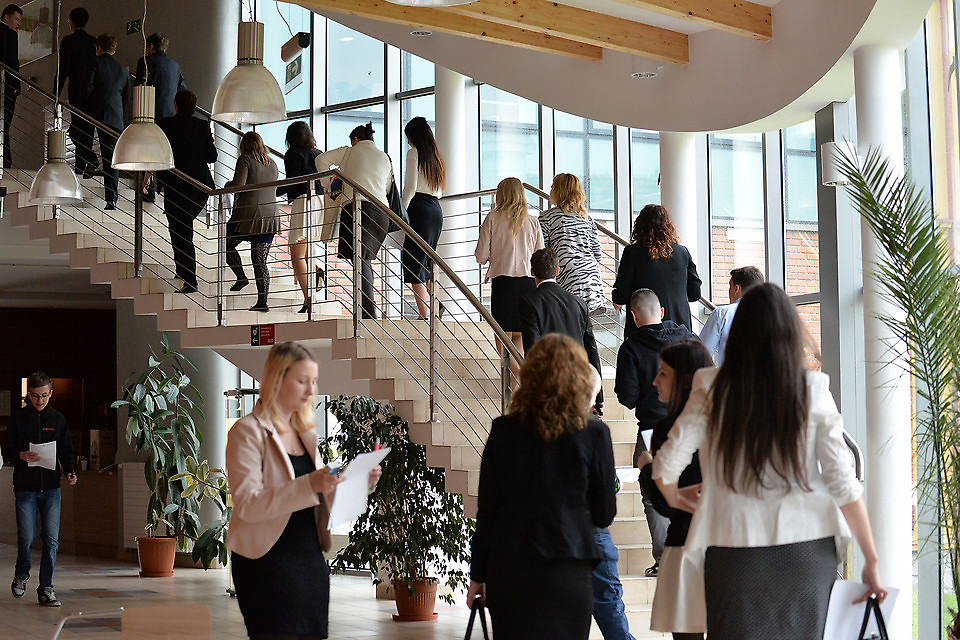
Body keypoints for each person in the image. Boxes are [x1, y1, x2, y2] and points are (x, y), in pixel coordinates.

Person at [654, 283, 887, 640]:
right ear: (790, 334)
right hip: (808, 552)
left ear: (738, 334)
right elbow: (843, 482)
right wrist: (871, 559)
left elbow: (665, 465)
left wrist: (675, 497)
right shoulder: (812, 388)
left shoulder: (709, 386)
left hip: (733, 553)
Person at [226, 341, 381, 639]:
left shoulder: (305, 434)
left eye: (314, 381)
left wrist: (360, 482)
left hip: (308, 562)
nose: (311, 391)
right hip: (266, 563)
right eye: (302, 381)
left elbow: (318, 497)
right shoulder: (247, 431)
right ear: (277, 380)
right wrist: (310, 483)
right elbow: (247, 504)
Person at [467, 334, 617, 640]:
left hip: (509, 566)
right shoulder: (594, 434)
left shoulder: (503, 430)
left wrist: (478, 574)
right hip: (569, 566)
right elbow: (604, 514)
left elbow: (488, 511)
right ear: (579, 380)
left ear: (529, 376)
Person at [636, 339, 713, 640]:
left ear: (686, 379)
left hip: (685, 546)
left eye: (663, 373)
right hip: (726, 547)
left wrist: (647, 468)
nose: (655, 381)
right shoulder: (726, 424)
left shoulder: (670, 429)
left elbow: (667, 504)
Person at [614, 288, 692, 577]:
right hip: (690, 427)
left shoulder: (631, 348)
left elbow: (627, 396)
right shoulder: (688, 338)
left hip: (652, 430)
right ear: (661, 312)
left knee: (652, 494)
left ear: (634, 317)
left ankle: (665, 560)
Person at [5, 372, 77, 608]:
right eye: (35, 396)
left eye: (44, 396)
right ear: (29, 395)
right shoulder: (19, 418)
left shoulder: (57, 419)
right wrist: (20, 455)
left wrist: (70, 471)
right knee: (26, 536)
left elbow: (66, 448)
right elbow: (7, 449)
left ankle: (46, 588)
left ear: (51, 394)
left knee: (51, 540)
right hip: (25, 487)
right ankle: (22, 573)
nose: (40, 401)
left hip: (51, 488)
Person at [315, 122, 393, 319]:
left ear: (355, 140)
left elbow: (321, 160)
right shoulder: (384, 157)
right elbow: (387, 188)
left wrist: (328, 185)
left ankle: (367, 313)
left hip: (359, 210)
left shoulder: (349, 151)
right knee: (365, 260)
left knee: (361, 260)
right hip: (382, 214)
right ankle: (367, 309)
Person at [474, 177, 545, 380]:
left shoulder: (492, 218)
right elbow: (540, 255)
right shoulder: (532, 221)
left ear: (500, 195)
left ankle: (522, 378)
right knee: (520, 337)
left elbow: (481, 256)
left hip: (503, 284)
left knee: (502, 338)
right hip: (528, 285)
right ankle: (518, 385)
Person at [518, 248, 602, 414]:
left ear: (532, 271)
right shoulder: (579, 303)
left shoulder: (528, 301)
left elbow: (532, 347)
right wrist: (598, 397)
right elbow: (591, 349)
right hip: (578, 382)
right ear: (557, 271)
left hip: (549, 384)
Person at [153, 89, 216, 294]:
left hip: (176, 185)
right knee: (181, 229)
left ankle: (190, 280)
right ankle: (183, 271)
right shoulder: (202, 125)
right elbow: (212, 156)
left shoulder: (165, 124)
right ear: (194, 107)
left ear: (176, 105)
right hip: (200, 187)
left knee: (180, 232)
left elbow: (159, 154)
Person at [611, 204, 701, 338]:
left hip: (644, 331)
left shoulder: (632, 253)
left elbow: (622, 292)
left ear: (640, 226)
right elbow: (694, 294)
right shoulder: (682, 252)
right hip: (679, 330)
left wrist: (617, 299)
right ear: (668, 226)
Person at [225, 131, 279, 312]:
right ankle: (262, 302)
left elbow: (238, 185)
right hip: (270, 217)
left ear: (244, 146)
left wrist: (227, 185)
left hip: (247, 216)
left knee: (226, 243)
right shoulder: (272, 163)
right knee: (259, 260)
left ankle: (241, 277)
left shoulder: (245, 160)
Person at [538, 173, 605, 313]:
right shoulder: (587, 218)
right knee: (583, 322)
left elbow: (542, 251)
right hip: (591, 278)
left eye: (553, 187)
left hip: (566, 276)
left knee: (566, 321)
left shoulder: (547, 217)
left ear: (559, 191)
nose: (550, 191)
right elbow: (598, 254)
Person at [400, 116, 445, 320]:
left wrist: (400, 211)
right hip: (435, 209)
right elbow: (440, 191)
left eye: (408, 137)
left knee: (413, 261)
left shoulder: (414, 153)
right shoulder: (436, 157)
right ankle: (436, 304)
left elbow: (410, 187)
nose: (408, 142)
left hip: (419, 208)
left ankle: (424, 314)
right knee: (426, 261)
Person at [277, 121, 323, 313]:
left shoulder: (293, 154)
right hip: (319, 202)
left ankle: (308, 299)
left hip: (304, 201)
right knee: (305, 250)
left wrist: (272, 190)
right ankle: (316, 270)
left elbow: (292, 181)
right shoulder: (318, 153)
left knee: (296, 255)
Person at [85, 34, 130, 210]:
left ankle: (91, 160)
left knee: (76, 132)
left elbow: (87, 86)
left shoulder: (95, 62)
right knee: (111, 158)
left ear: (98, 48)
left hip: (94, 112)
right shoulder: (122, 70)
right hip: (114, 117)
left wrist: (84, 104)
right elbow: (126, 98)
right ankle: (111, 199)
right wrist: (120, 117)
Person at [55, 7, 97, 176]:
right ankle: (81, 169)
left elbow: (63, 69)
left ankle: (90, 158)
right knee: (87, 129)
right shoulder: (94, 42)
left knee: (76, 129)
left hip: (76, 89)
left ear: (72, 21)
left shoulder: (68, 41)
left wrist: (55, 92)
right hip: (92, 91)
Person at [699, 265, 763, 365]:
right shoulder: (771, 316)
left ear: (736, 288)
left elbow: (702, 354)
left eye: (730, 286)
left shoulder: (722, 314)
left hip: (731, 374)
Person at [134, 32, 184, 120]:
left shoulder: (145, 61)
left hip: (150, 113)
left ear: (151, 46)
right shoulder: (175, 65)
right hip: (170, 114)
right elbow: (182, 88)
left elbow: (139, 86)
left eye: (146, 47)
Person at [0, 4, 21, 169]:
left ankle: (5, 160)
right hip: (6, 86)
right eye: (17, 19)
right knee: (4, 124)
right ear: (6, 18)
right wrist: (16, 84)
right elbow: (12, 62)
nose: (19, 24)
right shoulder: (9, 34)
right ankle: (5, 162)